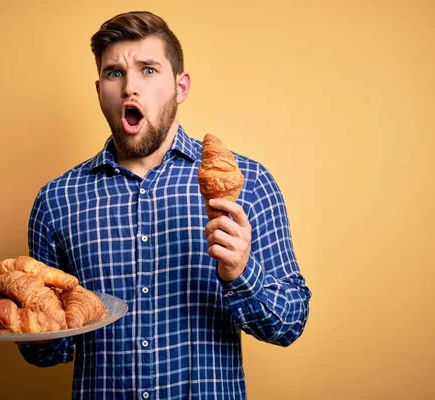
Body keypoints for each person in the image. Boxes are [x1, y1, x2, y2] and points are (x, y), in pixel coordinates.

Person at [18, 10, 312, 400]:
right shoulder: (57, 201)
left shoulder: (248, 183)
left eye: (149, 70)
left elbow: (290, 323)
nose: (129, 88)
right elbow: (50, 352)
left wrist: (242, 272)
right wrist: (21, 318)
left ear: (181, 86)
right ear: (99, 89)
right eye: (114, 73)